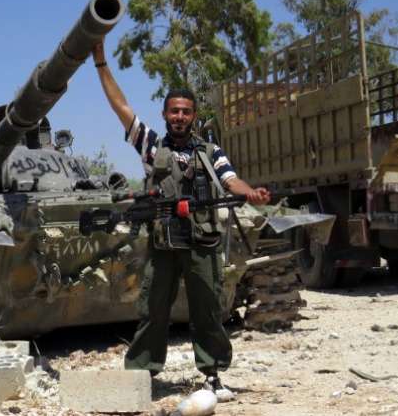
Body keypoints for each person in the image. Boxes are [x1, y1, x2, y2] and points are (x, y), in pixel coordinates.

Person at [91, 41, 270, 400]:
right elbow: (121, 107)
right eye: (174, 111)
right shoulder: (152, 147)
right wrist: (100, 62)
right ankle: (141, 375)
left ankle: (213, 374)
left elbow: (230, 180)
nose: (180, 117)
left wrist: (250, 192)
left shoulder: (210, 152)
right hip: (163, 245)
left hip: (202, 244)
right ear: (164, 114)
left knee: (208, 310)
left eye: (186, 112)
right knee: (153, 311)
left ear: (194, 115)